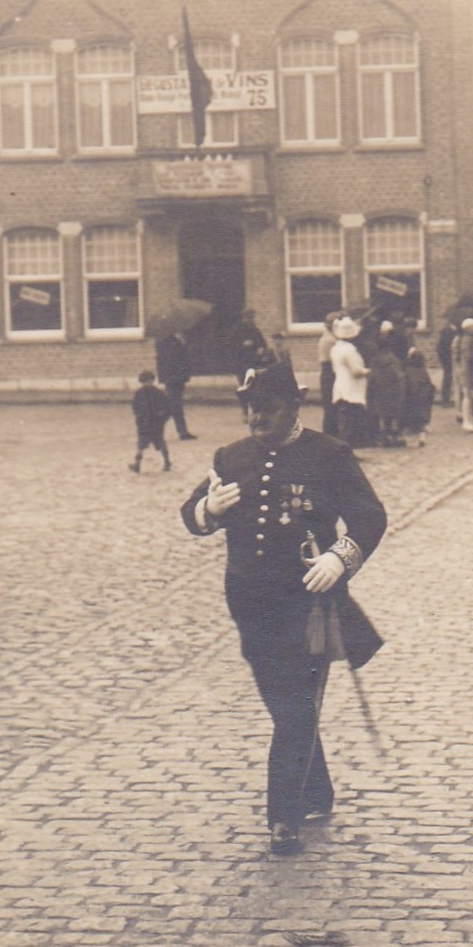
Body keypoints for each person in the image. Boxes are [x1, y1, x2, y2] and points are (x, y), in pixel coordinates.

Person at [180, 360, 387, 856]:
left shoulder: (330, 455)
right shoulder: (230, 458)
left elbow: (369, 516)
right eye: (251, 409)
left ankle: (283, 817)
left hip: (309, 601)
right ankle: (316, 787)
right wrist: (209, 511)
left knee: (295, 708)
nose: (257, 418)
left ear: (294, 406)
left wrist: (341, 558)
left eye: (268, 409)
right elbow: (189, 513)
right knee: (284, 703)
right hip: (251, 602)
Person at [329, 316, 371, 448]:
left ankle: (345, 451)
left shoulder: (336, 348)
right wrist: (369, 371)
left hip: (340, 387)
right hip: (351, 390)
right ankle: (349, 451)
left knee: (344, 422)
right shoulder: (350, 350)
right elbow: (356, 371)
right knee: (352, 423)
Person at [367, 320, 406, 447]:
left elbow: (372, 376)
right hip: (393, 390)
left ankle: (385, 436)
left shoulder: (374, 360)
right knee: (394, 413)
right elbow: (398, 375)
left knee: (383, 413)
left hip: (379, 390)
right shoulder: (392, 359)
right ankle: (394, 436)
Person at [154, 333, 197, 441]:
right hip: (172, 377)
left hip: (179, 377)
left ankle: (155, 429)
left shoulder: (179, 338)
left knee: (173, 405)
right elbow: (167, 359)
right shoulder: (166, 340)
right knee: (175, 405)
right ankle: (182, 431)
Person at [130, 370, 174, 473]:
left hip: (156, 423)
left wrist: (162, 419)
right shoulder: (139, 393)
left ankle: (167, 462)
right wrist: (139, 417)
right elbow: (135, 407)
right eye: (145, 381)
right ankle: (137, 464)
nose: (147, 383)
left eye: (149, 381)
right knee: (141, 445)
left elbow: (168, 408)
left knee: (160, 442)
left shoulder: (158, 394)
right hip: (144, 424)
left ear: (153, 381)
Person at [234, 308, 273, 416]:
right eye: (248, 318)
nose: (251, 320)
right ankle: (245, 411)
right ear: (244, 318)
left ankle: (256, 410)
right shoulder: (238, 331)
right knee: (244, 387)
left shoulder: (255, 331)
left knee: (256, 387)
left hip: (254, 363)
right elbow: (232, 347)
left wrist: (262, 349)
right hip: (242, 364)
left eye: (252, 318)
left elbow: (263, 343)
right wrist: (243, 345)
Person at [399, 344, 435, 446]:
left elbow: (405, 386)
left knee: (408, 420)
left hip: (410, 399)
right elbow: (429, 385)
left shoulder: (407, 371)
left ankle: (407, 440)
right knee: (421, 423)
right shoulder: (423, 371)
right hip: (422, 399)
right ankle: (421, 438)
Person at [317, 311, 343, 439]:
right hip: (329, 370)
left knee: (332, 404)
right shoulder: (329, 339)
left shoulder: (331, 336)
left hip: (330, 370)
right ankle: (329, 434)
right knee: (330, 404)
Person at [455, 318, 473, 431]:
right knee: (468, 395)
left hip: (468, 370)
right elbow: (468, 357)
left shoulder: (470, 339)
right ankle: (467, 420)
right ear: (468, 328)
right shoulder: (467, 340)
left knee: (470, 396)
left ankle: (470, 419)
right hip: (467, 371)